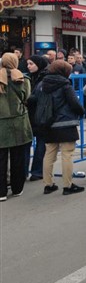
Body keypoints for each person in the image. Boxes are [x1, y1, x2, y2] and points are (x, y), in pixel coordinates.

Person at [31, 61, 85, 195]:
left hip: (47, 124)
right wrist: (81, 112)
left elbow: (33, 100)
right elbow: (74, 103)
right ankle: (68, 185)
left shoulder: (41, 84)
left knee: (49, 154)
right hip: (65, 123)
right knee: (67, 154)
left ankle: (48, 184)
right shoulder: (65, 85)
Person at [0, 53, 32, 201]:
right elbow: (27, 99)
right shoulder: (23, 79)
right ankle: (17, 188)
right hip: (19, 123)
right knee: (18, 157)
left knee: (1, 158)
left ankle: (1, 192)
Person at [25, 55, 50, 181]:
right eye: (28, 64)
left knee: (41, 144)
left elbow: (39, 97)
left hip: (40, 115)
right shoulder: (28, 77)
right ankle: (23, 172)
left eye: (31, 64)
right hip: (28, 114)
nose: (28, 66)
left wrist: (27, 99)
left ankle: (37, 171)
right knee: (25, 144)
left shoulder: (45, 78)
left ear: (39, 64)